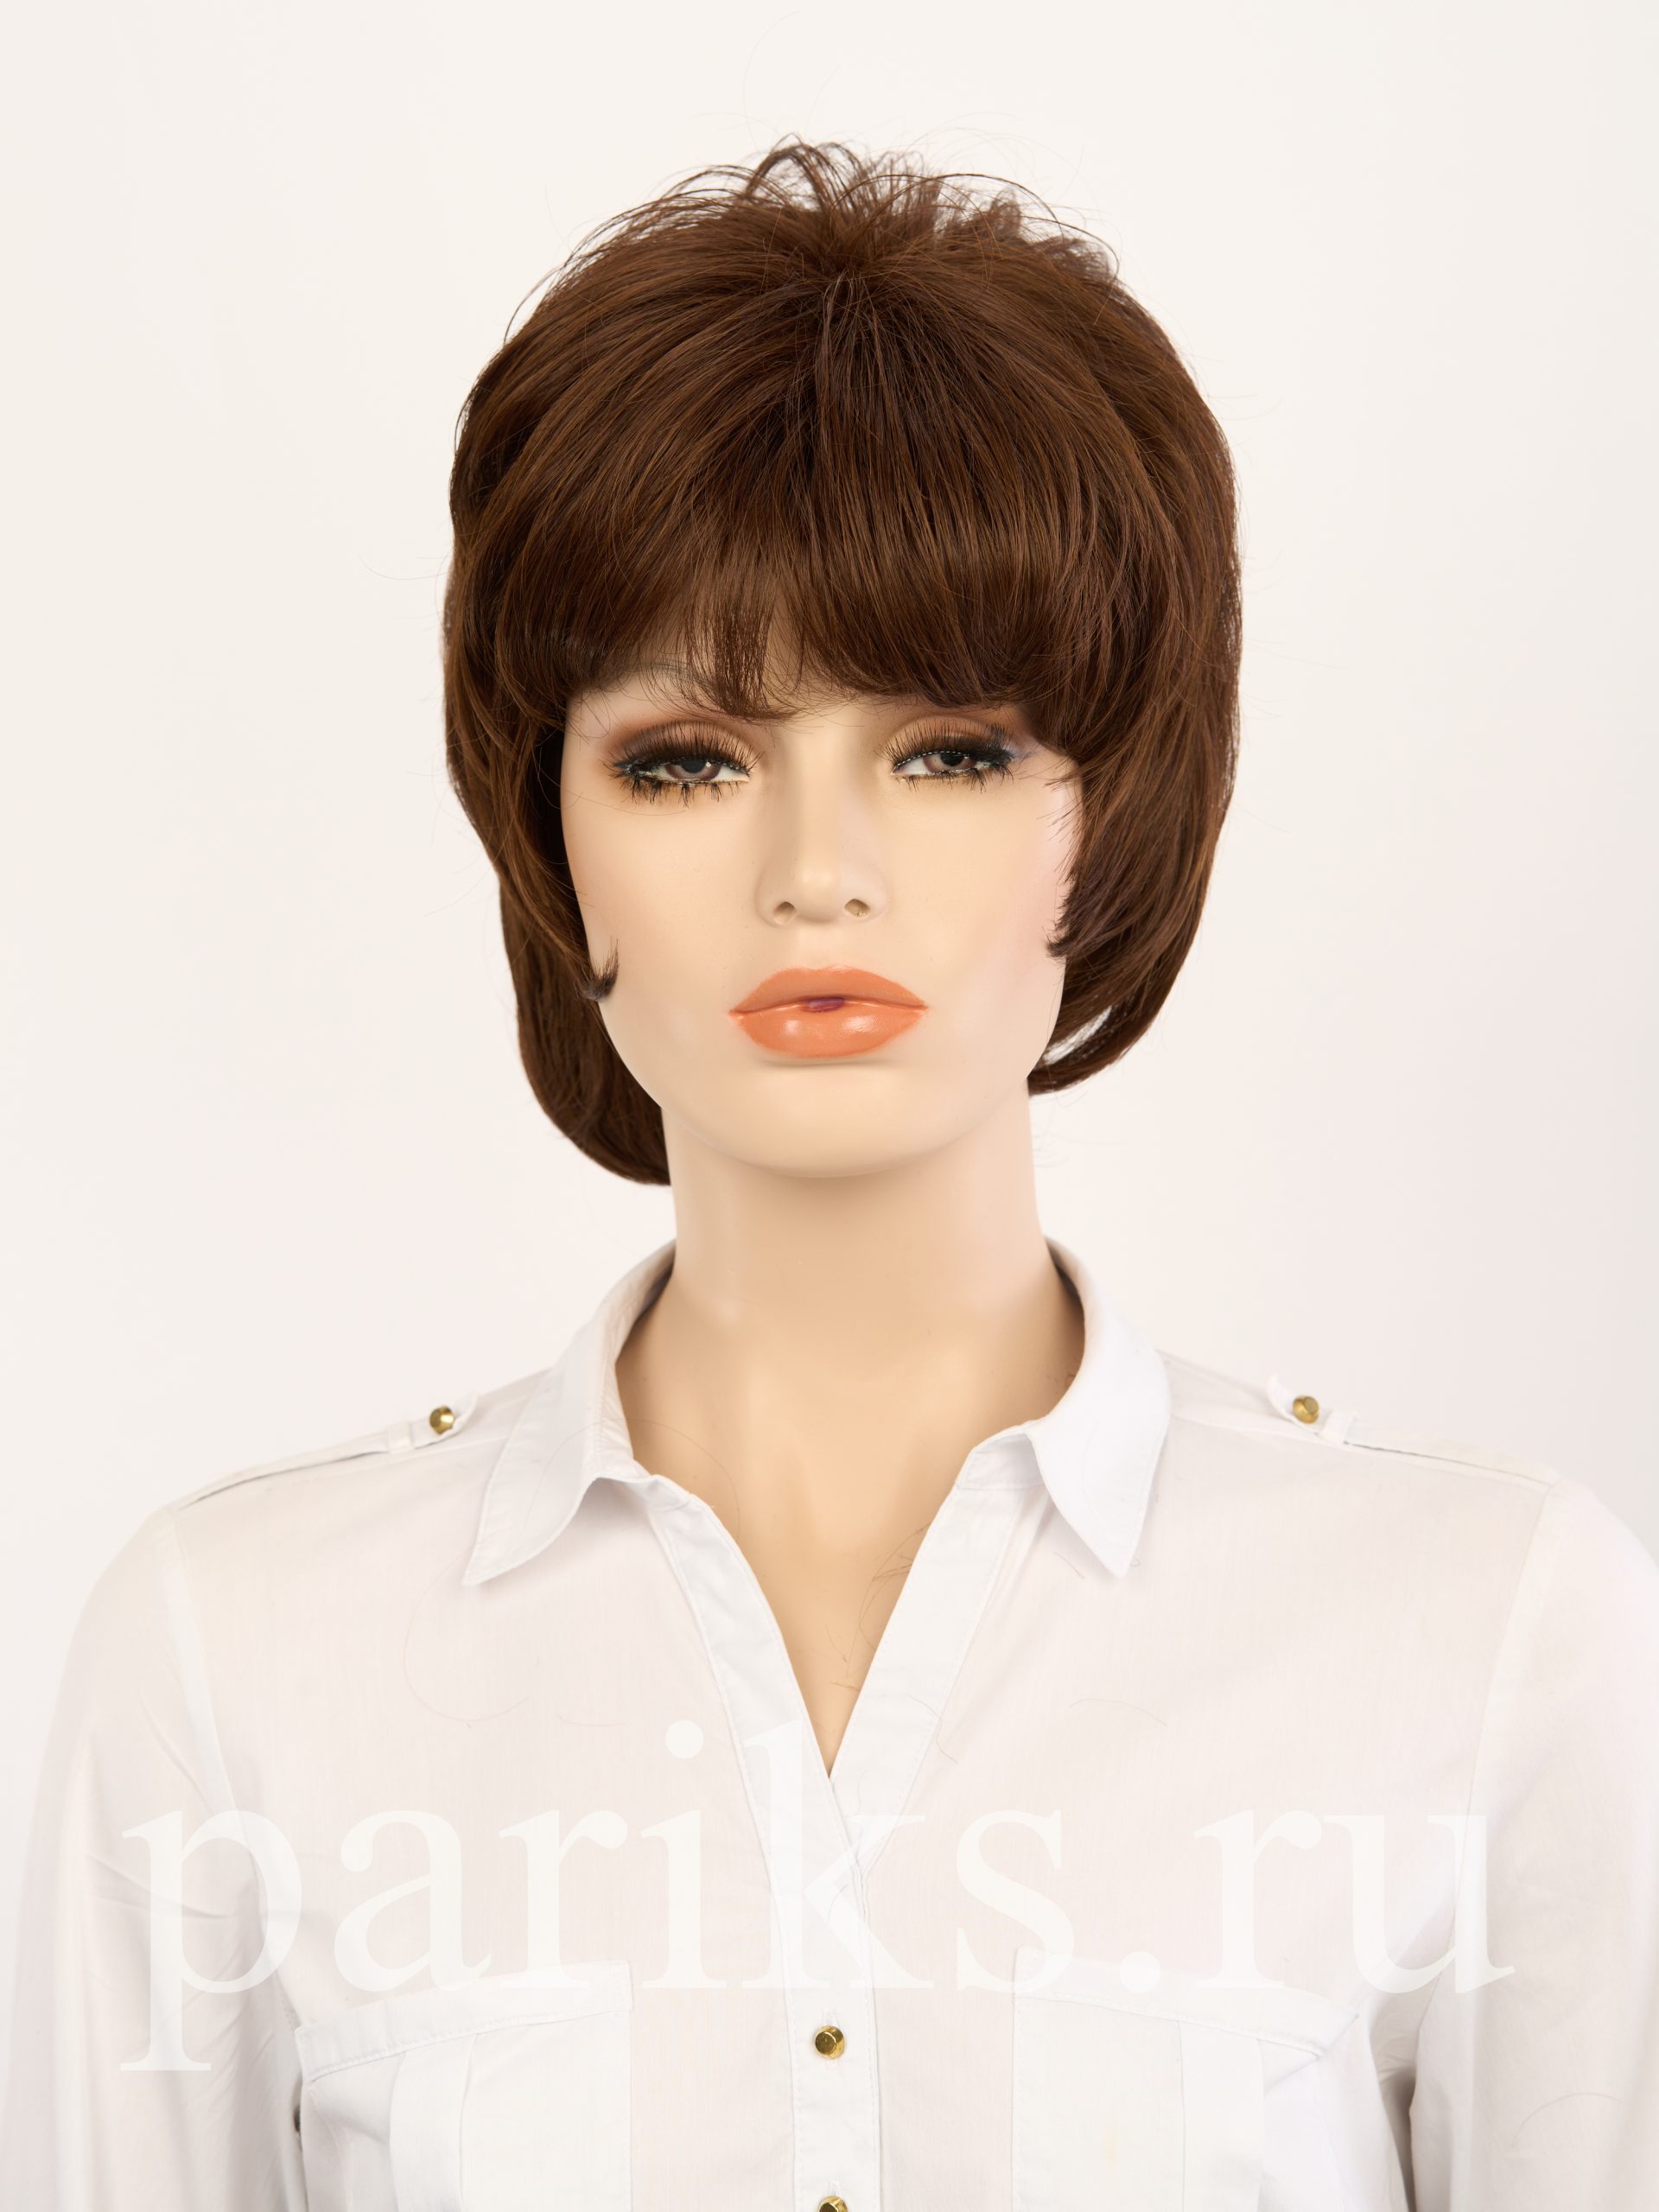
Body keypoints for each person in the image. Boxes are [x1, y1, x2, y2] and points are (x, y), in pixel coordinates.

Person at [3, 137, 1656, 2211]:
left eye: (950, 748)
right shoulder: (235, 1652)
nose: (816, 871)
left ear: (1112, 813)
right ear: (551, 828)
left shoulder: (1485, 1629)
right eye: (687, 757)